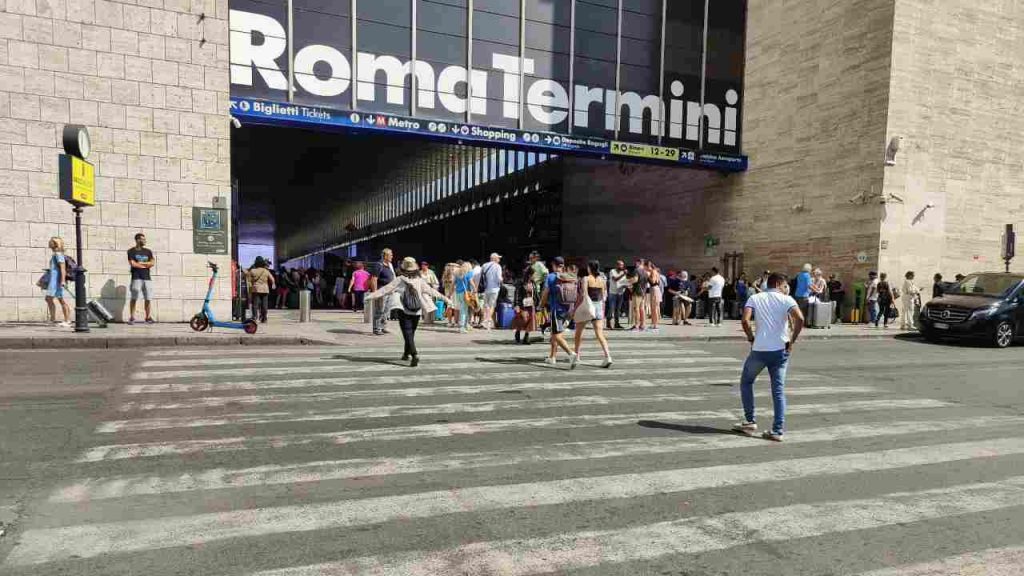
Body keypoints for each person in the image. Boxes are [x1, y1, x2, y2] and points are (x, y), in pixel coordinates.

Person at [732, 272, 804, 442]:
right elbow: (799, 318)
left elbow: (745, 320)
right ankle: (777, 430)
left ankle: (750, 420)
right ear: (779, 283)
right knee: (778, 390)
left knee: (746, 382)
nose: (786, 287)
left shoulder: (755, 298)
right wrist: (792, 339)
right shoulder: (787, 300)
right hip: (780, 349)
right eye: (784, 284)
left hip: (759, 349)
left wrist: (750, 337)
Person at [365, 257, 451, 367]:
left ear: (403, 269)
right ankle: (406, 354)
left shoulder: (399, 279)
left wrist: (370, 296)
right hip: (417, 311)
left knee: (407, 333)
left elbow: (385, 290)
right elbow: (432, 291)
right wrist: (447, 300)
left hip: (404, 310)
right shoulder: (420, 280)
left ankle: (414, 354)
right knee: (410, 334)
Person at [571, 260, 613, 367]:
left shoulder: (586, 278)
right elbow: (604, 295)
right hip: (598, 307)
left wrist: (575, 308)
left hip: (588, 307)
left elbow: (584, 294)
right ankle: (608, 356)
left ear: (590, 268)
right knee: (600, 334)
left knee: (578, 332)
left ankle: (576, 356)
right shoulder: (602, 280)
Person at [539, 257, 578, 366]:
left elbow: (545, 293)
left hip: (556, 309)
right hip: (568, 309)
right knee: (554, 333)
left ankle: (571, 354)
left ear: (553, 264)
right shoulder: (569, 276)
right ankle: (552, 357)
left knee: (556, 335)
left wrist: (541, 305)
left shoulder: (551, 277)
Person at [127, 232, 156, 324]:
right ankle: (132, 317)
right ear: (137, 240)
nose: (144, 241)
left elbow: (152, 263)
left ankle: (147, 317)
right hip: (136, 277)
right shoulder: (131, 251)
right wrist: (145, 264)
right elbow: (132, 263)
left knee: (148, 298)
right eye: (142, 239)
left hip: (147, 278)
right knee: (134, 297)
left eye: (144, 239)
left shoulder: (148, 251)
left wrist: (140, 263)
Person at [43, 237, 72, 327]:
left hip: (57, 281)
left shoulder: (58, 254)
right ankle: (53, 319)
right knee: (49, 299)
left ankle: (67, 320)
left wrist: (62, 281)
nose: (49, 243)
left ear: (55, 243)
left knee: (60, 299)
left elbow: (63, 269)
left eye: (51, 241)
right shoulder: (55, 254)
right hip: (54, 281)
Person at [369, 248, 395, 335]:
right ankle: (376, 328)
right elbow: (373, 279)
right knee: (379, 310)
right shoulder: (378, 265)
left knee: (386, 311)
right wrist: (375, 292)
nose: (392, 256)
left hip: (390, 291)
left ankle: (384, 327)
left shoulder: (389, 265)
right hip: (382, 291)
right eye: (390, 254)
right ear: (385, 255)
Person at [246, 256, 275, 323]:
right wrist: (273, 284)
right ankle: (264, 318)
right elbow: (272, 279)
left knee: (255, 304)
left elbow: (248, 280)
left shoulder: (252, 271)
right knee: (264, 305)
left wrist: (250, 289)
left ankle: (255, 317)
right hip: (265, 290)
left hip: (256, 289)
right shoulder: (266, 271)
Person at [478, 253, 503, 329]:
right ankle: (486, 321)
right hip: (494, 289)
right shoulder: (498, 266)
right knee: (492, 305)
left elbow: (480, 276)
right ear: (494, 258)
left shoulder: (484, 265)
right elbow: (499, 278)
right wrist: (502, 280)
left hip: (486, 289)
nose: (499, 260)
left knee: (486, 306)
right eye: (498, 258)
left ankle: (484, 321)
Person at [512, 271, 537, 345]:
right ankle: (518, 332)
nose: (534, 276)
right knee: (522, 320)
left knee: (530, 321)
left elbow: (535, 293)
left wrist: (537, 303)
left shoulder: (533, 283)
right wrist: (516, 304)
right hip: (522, 304)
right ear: (529, 275)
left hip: (531, 304)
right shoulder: (521, 283)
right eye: (533, 275)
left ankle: (526, 337)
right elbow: (516, 293)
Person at [454, 262, 476, 333]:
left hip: (458, 293)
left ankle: (466, 325)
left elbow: (453, 284)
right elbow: (471, 282)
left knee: (464, 309)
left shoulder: (457, 273)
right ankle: (462, 327)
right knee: (464, 310)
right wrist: (475, 289)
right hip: (465, 294)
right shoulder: (469, 273)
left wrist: (449, 293)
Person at [606, 260, 627, 330]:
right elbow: (615, 279)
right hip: (613, 293)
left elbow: (623, 282)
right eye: (620, 265)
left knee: (618, 309)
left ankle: (616, 324)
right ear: (617, 265)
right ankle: (608, 323)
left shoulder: (622, 272)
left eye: (623, 265)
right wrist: (623, 274)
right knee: (611, 308)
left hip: (620, 293)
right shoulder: (612, 271)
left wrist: (626, 285)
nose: (622, 266)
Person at [647, 262, 663, 331]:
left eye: (647, 267)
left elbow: (653, 281)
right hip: (654, 289)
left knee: (655, 308)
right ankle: (653, 323)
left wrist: (648, 276)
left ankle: (655, 324)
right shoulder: (655, 271)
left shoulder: (653, 271)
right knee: (653, 308)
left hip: (654, 289)